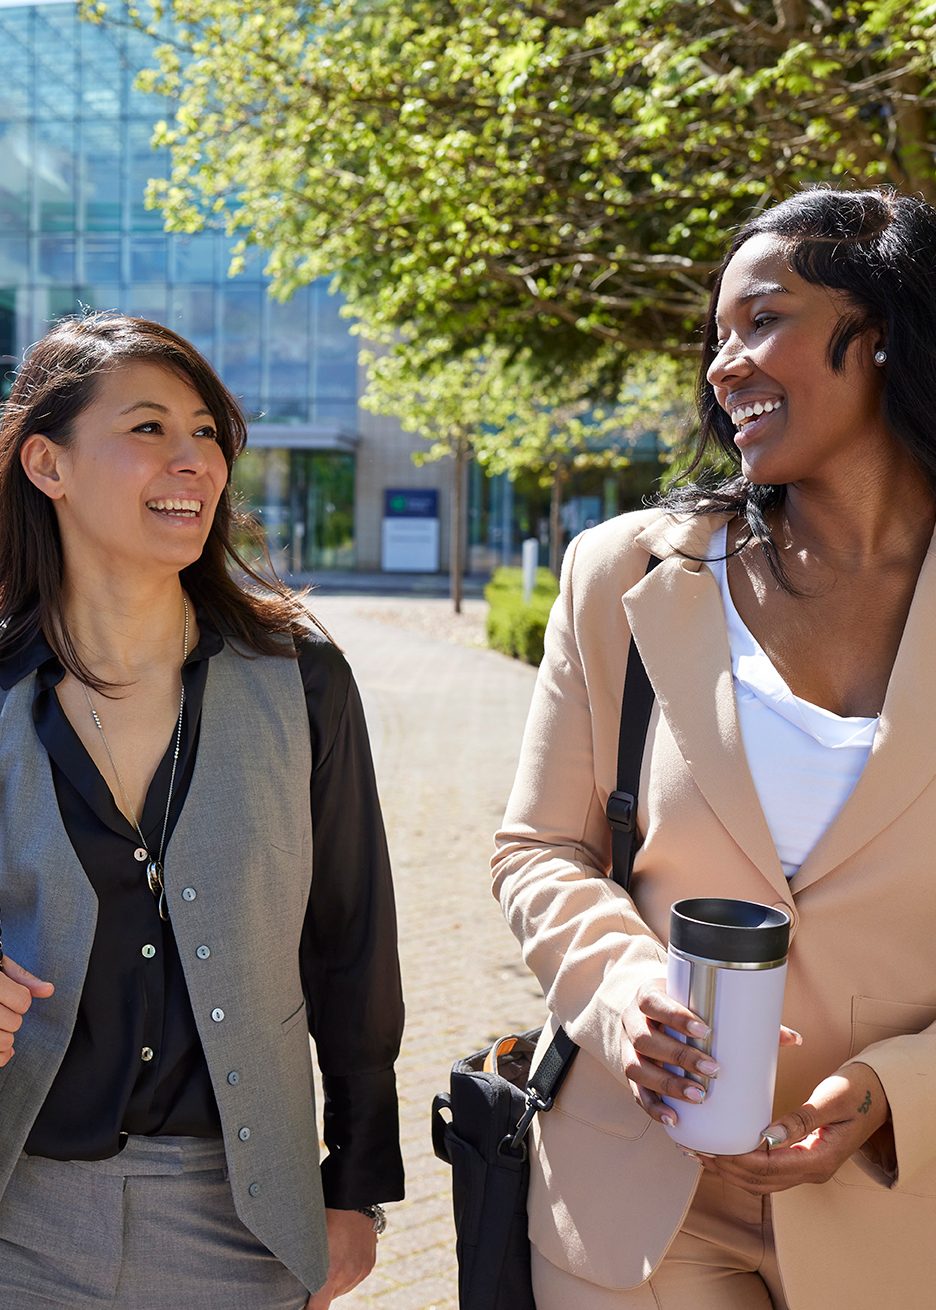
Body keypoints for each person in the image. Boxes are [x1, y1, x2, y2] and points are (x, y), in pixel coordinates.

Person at [491, 185, 936, 1309]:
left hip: (903, 1215)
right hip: (634, 1207)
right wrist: (629, 991)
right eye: (716, 336)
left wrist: (898, 1092)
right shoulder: (624, 575)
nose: (724, 364)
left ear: (882, 330)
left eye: (763, 320)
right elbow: (538, 849)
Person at [0, 312, 404, 1309]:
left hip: (239, 1218)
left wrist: (356, 1181)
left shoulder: (303, 680)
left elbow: (352, 944)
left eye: (209, 433)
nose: (193, 460)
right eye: (147, 428)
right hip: (17, 1210)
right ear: (47, 464)